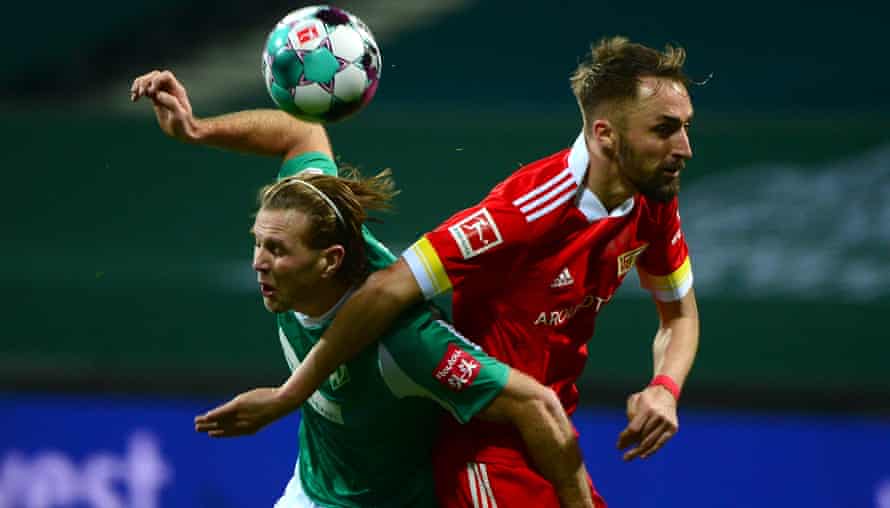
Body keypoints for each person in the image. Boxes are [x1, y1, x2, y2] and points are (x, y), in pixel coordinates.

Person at [219, 35, 702, 507]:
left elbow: (679, 316)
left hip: (550, 432)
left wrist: (665, 388)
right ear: (605, 134)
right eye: (664, 129)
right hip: (485, 443)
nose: (684, 147)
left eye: (685, 127)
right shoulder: (525, 210)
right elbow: (387, 290)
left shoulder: (653, 197)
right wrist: (291, 394)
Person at [130, 71, 595, 507]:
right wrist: (196, 129)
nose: (258, 263)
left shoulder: (408, 343)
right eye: (257, 243)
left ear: (329, 261)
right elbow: (301, 131)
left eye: (275, 249)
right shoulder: (308, 210)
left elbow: (538, 403)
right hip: (313, 490)